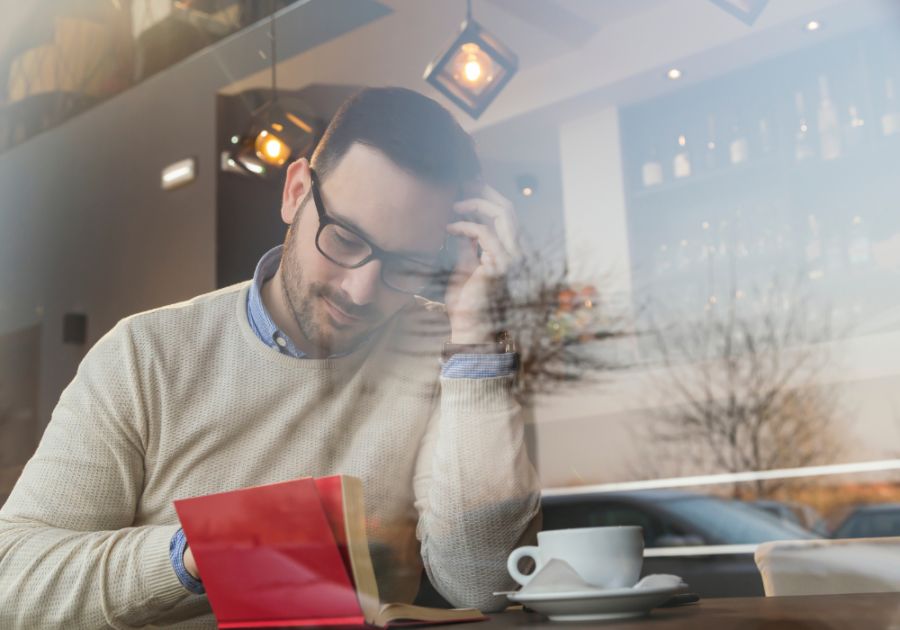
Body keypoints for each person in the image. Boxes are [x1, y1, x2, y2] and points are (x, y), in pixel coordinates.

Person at [0, 87, 541, 629]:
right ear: (296, 191)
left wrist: (477, 336)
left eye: (407, 263)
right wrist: (207, 552)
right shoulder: (142, 357)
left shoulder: (443, 350)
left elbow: (484, 581)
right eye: (346, 238)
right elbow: (13, 579)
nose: (361, 288)